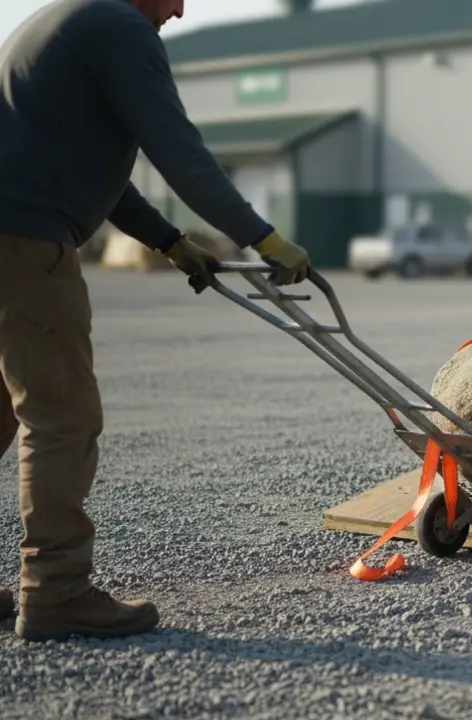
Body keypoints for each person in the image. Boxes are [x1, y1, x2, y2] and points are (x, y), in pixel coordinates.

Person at [0, 0, 311, 642]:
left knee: (3, 410)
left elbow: (92, 168)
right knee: (62, 417)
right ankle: (56, 592)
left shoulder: (58, 21)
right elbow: (179, 151)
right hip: (24, 242)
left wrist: (170, 241)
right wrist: (264, 238)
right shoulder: (119, 28)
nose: (179, 9)